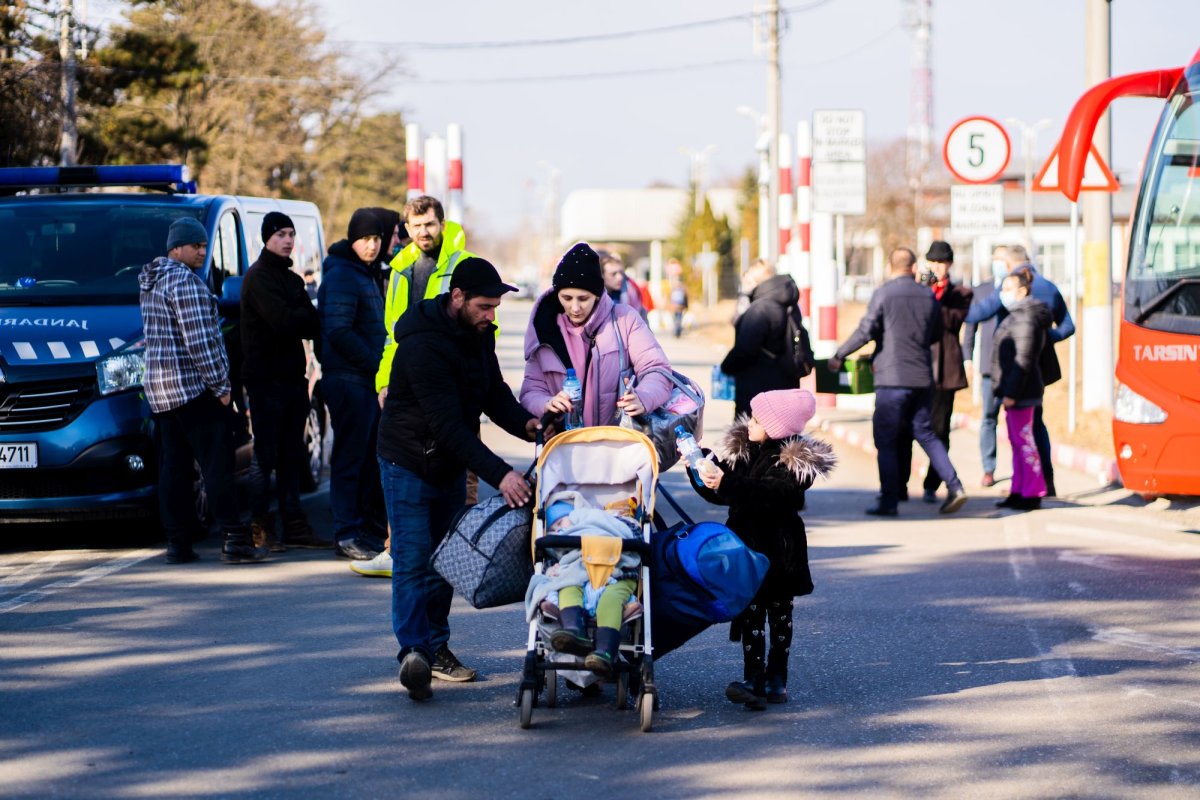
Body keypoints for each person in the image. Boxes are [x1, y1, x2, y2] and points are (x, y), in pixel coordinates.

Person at [378, 257, 540, 702]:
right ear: (457, 298)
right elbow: (448, 425)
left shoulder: (478, 336)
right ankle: (414, 652)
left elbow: (494, 394)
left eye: (495, 308)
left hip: (448, 462)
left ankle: (436, 645)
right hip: (408, 461)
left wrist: (527, 424)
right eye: (484, 306)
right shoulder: (421, 346)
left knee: (445, 560)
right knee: (413, 558)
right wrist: (502, 475)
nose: (491, 316)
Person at [352, 198, 476, 579]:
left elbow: (484, 327)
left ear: (442, 224)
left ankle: (462, 551)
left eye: (430, 224)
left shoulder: (463, 264)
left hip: (452, 384)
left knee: (460, 466)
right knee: (402, 463)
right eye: (416, 225)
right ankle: (398, 550)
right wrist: (384, 380)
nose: (424, 232)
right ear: (406, 229)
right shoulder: (401, 268)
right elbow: (393, 334)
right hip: (408, 385)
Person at [688, 389, 835, 708]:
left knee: (780, 615)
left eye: (756, 419)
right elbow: (725, 494)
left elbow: (770, 494)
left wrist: (726, 483)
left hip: (780, 552)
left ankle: (777, 678)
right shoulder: (747, 451)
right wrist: (703, 468)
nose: (749, 423)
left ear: (776, 426)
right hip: (747, 549)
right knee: (751, 614)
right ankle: (753, 678)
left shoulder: (793, 463)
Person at [139, 217, 267, 565]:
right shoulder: (187, 284)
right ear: (176, 248)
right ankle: (236, 539)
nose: (202, 251)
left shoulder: (151, 281)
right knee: (217, 467)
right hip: (194, 391)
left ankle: (178, 544)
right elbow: (200, 344)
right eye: (195, 245)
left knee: (174, 471)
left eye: (203, 245)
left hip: (162, 393)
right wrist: (222, 386)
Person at [830, 247, 968, 517]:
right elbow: (936, 333)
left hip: (892, 379)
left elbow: (866, 330)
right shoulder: (928, 296)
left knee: (887, 439)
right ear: (914, 267)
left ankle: (889, 500)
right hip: (923, 377)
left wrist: (839, 354)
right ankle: (954, 485)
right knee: (926, 433)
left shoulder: (883, 293)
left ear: (890, 267)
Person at [240, 211, 329, 552]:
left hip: (293, 380)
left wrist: (300, 312)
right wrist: (299, 312)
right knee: (265, 456)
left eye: (291, 233)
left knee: (292, 454)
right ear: (266, 238)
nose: (288, 240)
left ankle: (295, 524)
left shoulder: (291, 280)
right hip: (265, 381)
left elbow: (310, 324)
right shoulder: (259, 277)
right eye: (280, 234)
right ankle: (260, 528)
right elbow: (284, 322)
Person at [521, 243, 673, 428]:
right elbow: (531, 391)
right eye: (567, 298)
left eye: (583, 299)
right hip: (564, 447)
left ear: (598, 295)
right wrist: (546, 404)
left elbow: (657, 369)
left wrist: (643, 397)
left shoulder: (625, 319)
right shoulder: (544, 329)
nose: (575, 308)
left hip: (620, 444)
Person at [965, 244, 1074, 496]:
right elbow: (1068, 326)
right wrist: (1046, 339)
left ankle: (1017, 483)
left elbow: (978, 313)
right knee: (1035, 425)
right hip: (1040, 368)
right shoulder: (1049, 286)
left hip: (1011, 369)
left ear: (1007, 265)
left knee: (1010, 428)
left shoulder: (1011, 287)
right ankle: (1043, 482)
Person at [318, 209, 388, 561]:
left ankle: (360, 529)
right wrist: (378, 365)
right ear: (352, 239)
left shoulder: (364, 273)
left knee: (362, 460)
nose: (372, 245)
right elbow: (339, 330)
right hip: (349, 380)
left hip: (361, 380)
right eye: (365, 238)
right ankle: (346, 533)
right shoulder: (344, 274)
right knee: (348, 459)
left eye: (376, 238)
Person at [530, 499, 641, 679]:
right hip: (576, 571)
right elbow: (551, 564)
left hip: (617, 573)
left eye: (560, 523)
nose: (558, 530)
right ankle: (574, 630)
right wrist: (552, 570)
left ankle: (605, 651)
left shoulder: (600, 520)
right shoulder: (559, 543)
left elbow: (628, 535)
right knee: (567, 587)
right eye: (552, 530)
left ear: (573, 517)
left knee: (611, 600)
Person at [899, 241, 973, 503]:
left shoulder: (960, 293)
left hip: (945, 370)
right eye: (934, 263)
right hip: (915, 367)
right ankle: (901, 484)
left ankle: (932, 483)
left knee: (939, 429)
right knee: (905, 429)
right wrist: (920, 290)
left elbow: (951, 322)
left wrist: (934, 295)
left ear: (950, 265)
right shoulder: (915, 289)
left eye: (943, 263)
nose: (938, 268)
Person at [991, 268, 1052, 510]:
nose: (1003, 294)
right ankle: (1019, 489)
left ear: (1022, 291)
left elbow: (1023, 359)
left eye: (1008, 289)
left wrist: (1011, 393)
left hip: (1023, 393)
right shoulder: (1016, 315)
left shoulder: (1025, 318)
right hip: (1016, 390)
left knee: (1025, 442)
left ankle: (1033, 491)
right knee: (1017, 442)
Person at [720, 260, 804, 419]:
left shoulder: (760, 309)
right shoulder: (790, 304)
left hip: (757, 390)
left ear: (758, 282)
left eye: (748, 281)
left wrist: (726, 366)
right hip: (786, 385)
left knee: (749, 440)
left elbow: (745, 350)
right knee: (781, 439)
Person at [961, 245, 1008, 487]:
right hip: (989, 366)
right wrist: (967, 357)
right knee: (989, 418)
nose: (999, 262)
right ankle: (988, 468)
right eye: (996, 258)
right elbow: (970, 329)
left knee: (1019, 419)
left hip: (1014, 366)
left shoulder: (1018, 288)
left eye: (1003, 258)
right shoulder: (981, 290)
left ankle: (1025, 471)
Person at [598, 249, 646, 320]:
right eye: (613, 274)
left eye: (621, 273)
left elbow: (641, 317)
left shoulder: (631, 293)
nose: (620, 277)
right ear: (602, 276)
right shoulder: (593, 298)